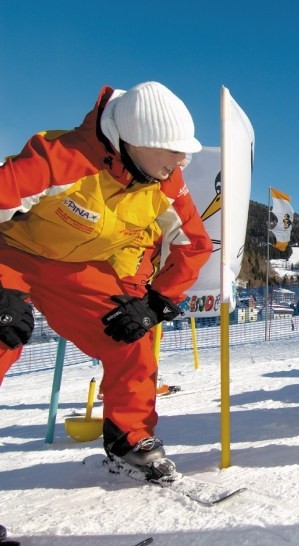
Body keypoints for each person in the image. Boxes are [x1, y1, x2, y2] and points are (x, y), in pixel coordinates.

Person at [0, 82, 212, 478]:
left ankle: (128, 437)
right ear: (137, 141)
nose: (182, 160)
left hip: (80, 268)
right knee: (2, 336)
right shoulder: (60, 158)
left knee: (131, 335)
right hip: (13, 251)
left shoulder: (165, 184)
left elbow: (194, 245)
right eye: (173, 149)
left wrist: (155, 302)